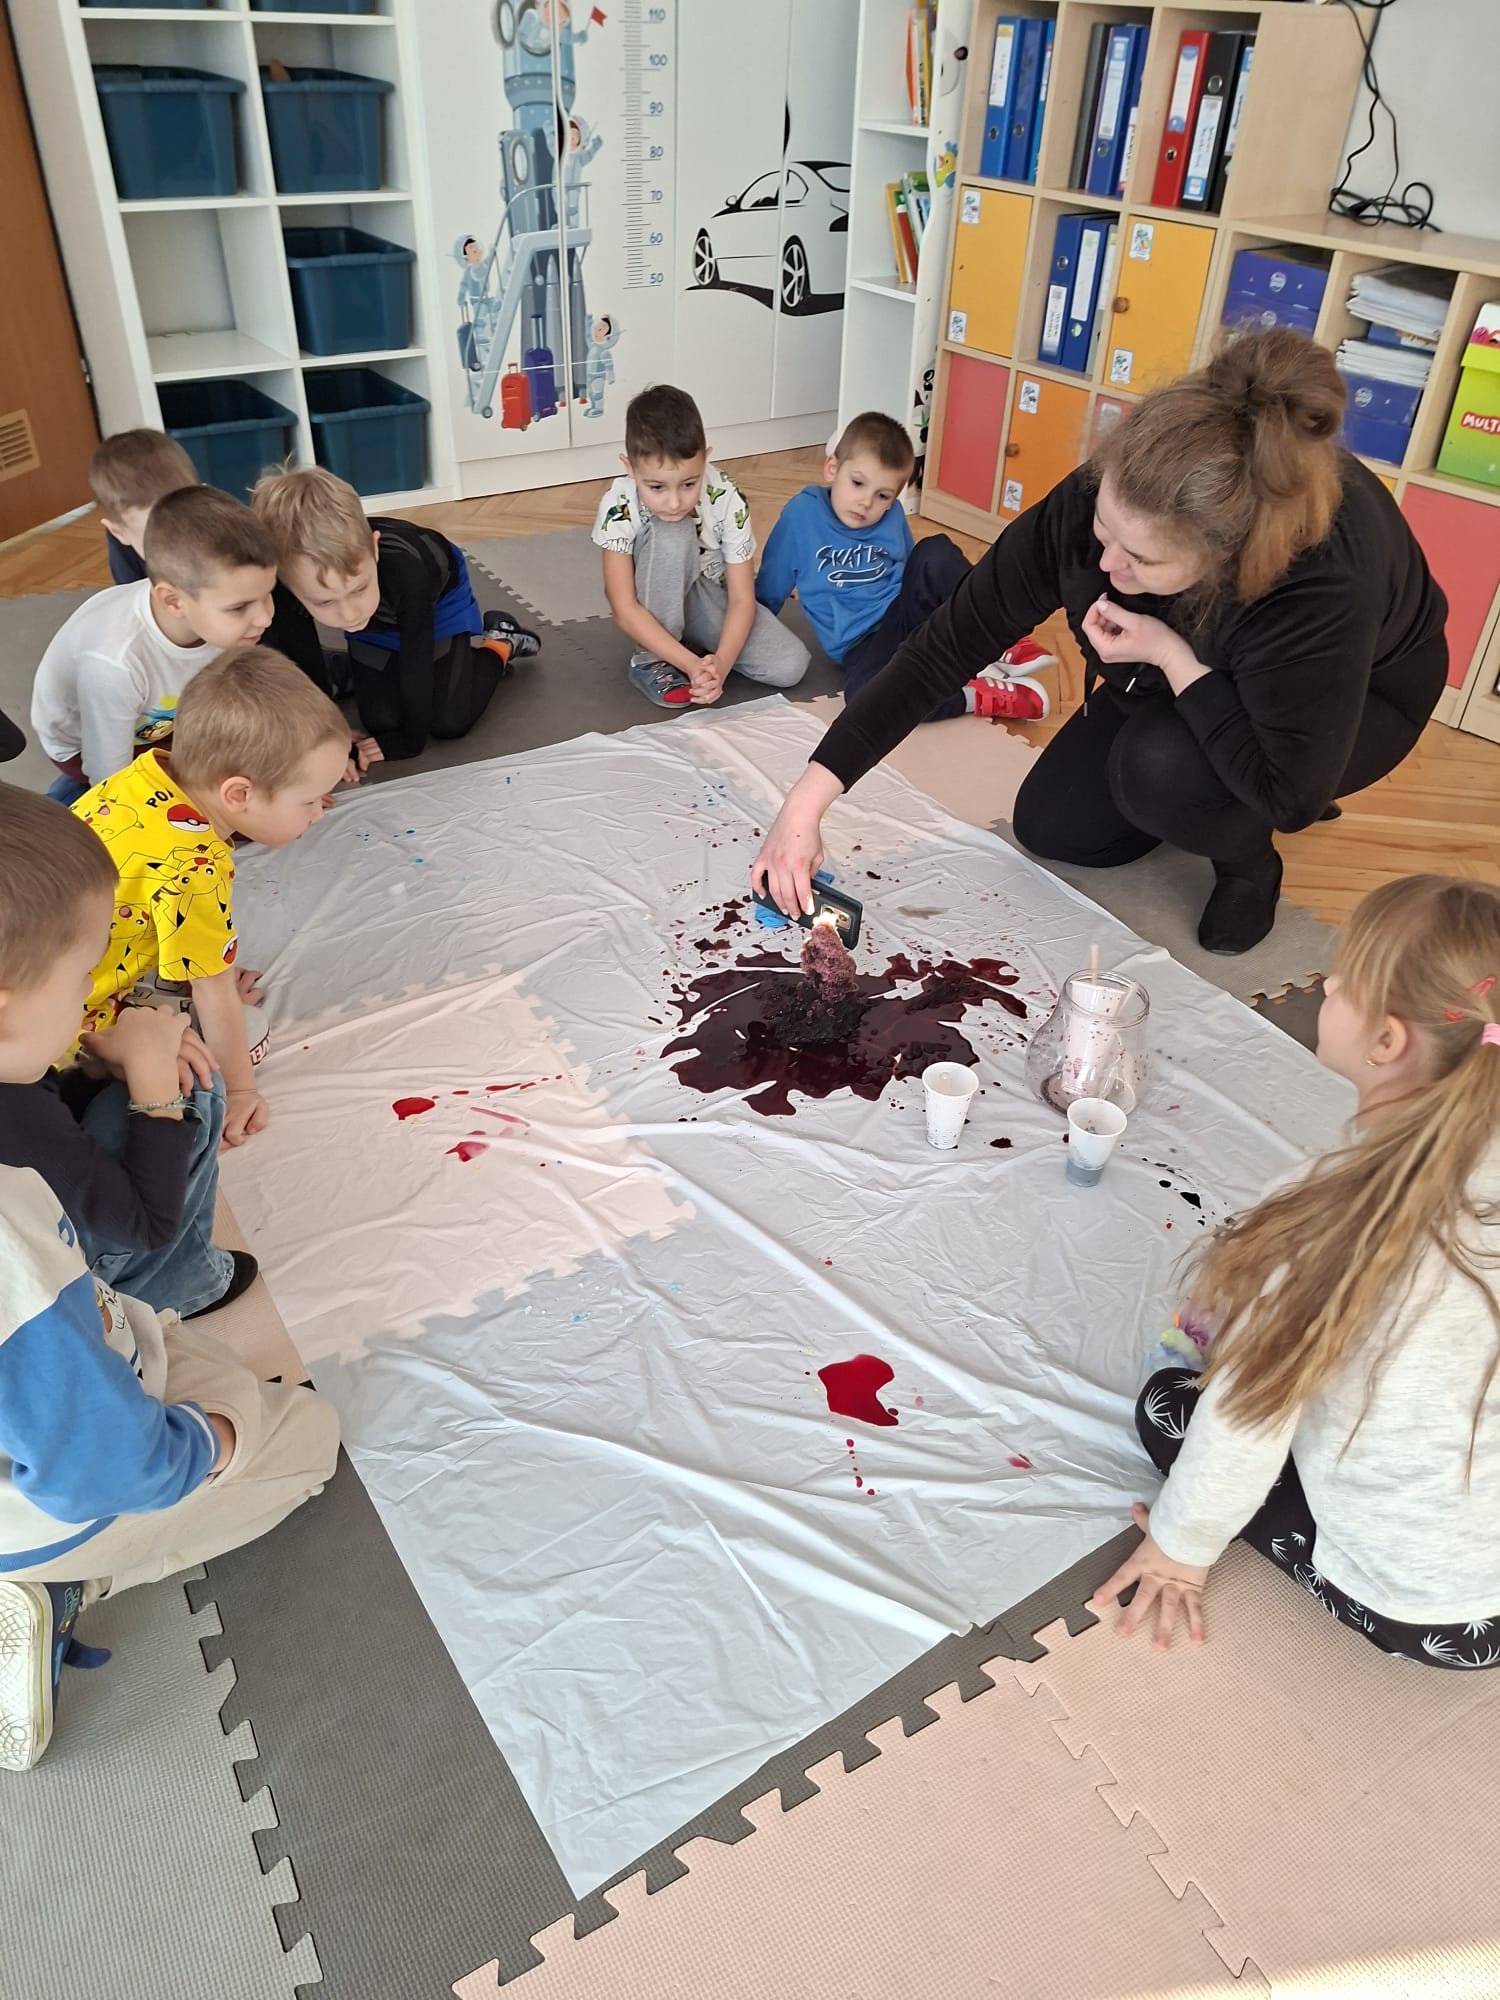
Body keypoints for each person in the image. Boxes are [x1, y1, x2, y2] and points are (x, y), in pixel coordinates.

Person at [752, 332, 1448, 956]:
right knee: (1055, 827)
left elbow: (1290, 795)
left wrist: (1173, 657)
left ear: (1221, 555)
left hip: (1353, 703)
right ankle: (1204, 777)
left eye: (1140, 560)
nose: (1107, 565)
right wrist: (806, 802)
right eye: (1104, 530)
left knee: (1161, 771)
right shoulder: (1117, 494)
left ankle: (1248, 862)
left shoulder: (1320, 580)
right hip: (1171, 666)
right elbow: (944, 647)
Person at [0, 787, 338, 1770]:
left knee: (178, 1362)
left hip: (55, 1377)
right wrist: (218, 1441)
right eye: (83, 976)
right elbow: (107, 1465)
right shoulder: (14, 1235)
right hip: (45, 1484)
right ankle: (63, 1583)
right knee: (302, 1436)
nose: (95, 992)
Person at [1092, 875, 1500, 1667]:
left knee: (1170, 1407)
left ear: (1387, 1042)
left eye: (1342, 979)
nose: (1327, 986)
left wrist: (1180, 1547)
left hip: (1436, 1619)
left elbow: (1247, 1418)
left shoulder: (1331, 1220)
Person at [71, 648, 351, 1150]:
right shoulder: (194, 865)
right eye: (309, 801)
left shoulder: (141, 775)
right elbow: (215, 991)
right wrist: (240, 1091)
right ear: (238, 794)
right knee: (240, 1039)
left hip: (44, 975)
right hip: (65, 1029)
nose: (318, 815)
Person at [755, 409, 1052, 721]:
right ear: (832, 468)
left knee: (934, 552)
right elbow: (770, 587)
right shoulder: (801, 516)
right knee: (865, 700)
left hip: (907, 616)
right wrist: (745, 639)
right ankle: (975, 695)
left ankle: (1000, 635)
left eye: (883, 495)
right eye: (857, 483)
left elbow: (916, 571)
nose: (866, 502)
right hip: (860, 645)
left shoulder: (892, 515)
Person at [254, 465, 541, 765]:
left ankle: (501, 641)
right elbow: (303, 656)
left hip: (436, 604)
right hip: (380, 617)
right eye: (325, 602)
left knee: (448, 721)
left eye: (358, 589)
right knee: (380, 721)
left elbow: (417, 652)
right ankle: (345, 662)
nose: (350, 615)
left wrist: (410, 741)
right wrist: (330, 735)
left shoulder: (408, 572)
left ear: (374, 549)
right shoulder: (284, 584)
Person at [31, 487, 278, 804]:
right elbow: (108, 775)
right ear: (173, 602)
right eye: (239, 608)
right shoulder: (115, 664)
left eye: (268, 594)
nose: (265, 618)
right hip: (85, 747)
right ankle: (66, 802)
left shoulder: (214, 612)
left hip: (163, 721)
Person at [595, 384, 810, 709]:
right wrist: (690, 664)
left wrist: (720, 665)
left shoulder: (727, 495)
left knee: (790, 665)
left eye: (688, 484)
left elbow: (741, 598)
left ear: (705, 458)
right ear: (630, 467)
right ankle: (652, 658)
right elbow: (623, 608)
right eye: (656, 487)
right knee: (674, 531)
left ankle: (687, 645)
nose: (674, 502)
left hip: (705, 598)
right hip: (650, 599)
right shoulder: (618, 503)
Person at [87, 428, 200, 588]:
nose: (178, 549)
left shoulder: (219, 519)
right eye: (158, 543)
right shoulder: (125, 557)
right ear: (119, 533)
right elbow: (130, 595)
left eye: (186, 528)